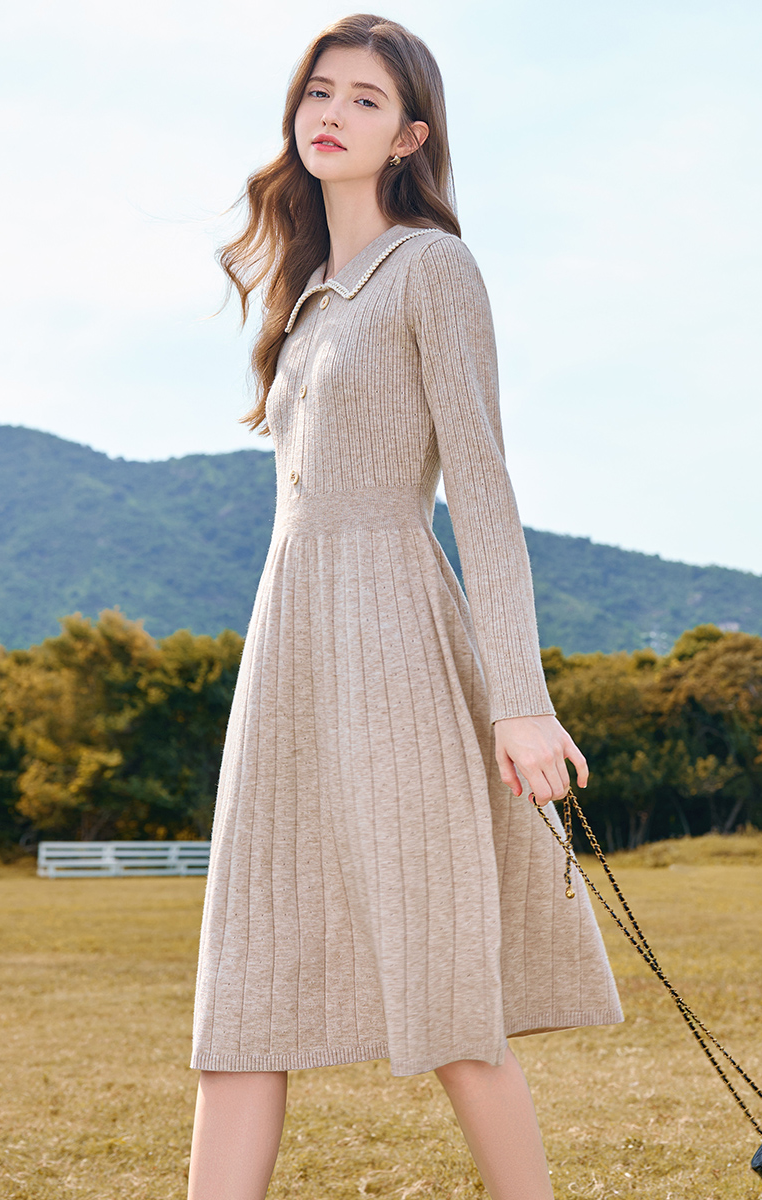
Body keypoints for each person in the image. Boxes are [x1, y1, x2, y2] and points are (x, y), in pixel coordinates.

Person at [187, 14, 623, 1199]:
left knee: (445, 979)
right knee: (241, 993)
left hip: (396, 640)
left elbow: (483, 491)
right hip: (288, 654)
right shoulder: (308, 297)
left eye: (366, 100)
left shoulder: (432, 267)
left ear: (411, 137)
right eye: (318, 91)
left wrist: (521, 701)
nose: (331, 113)